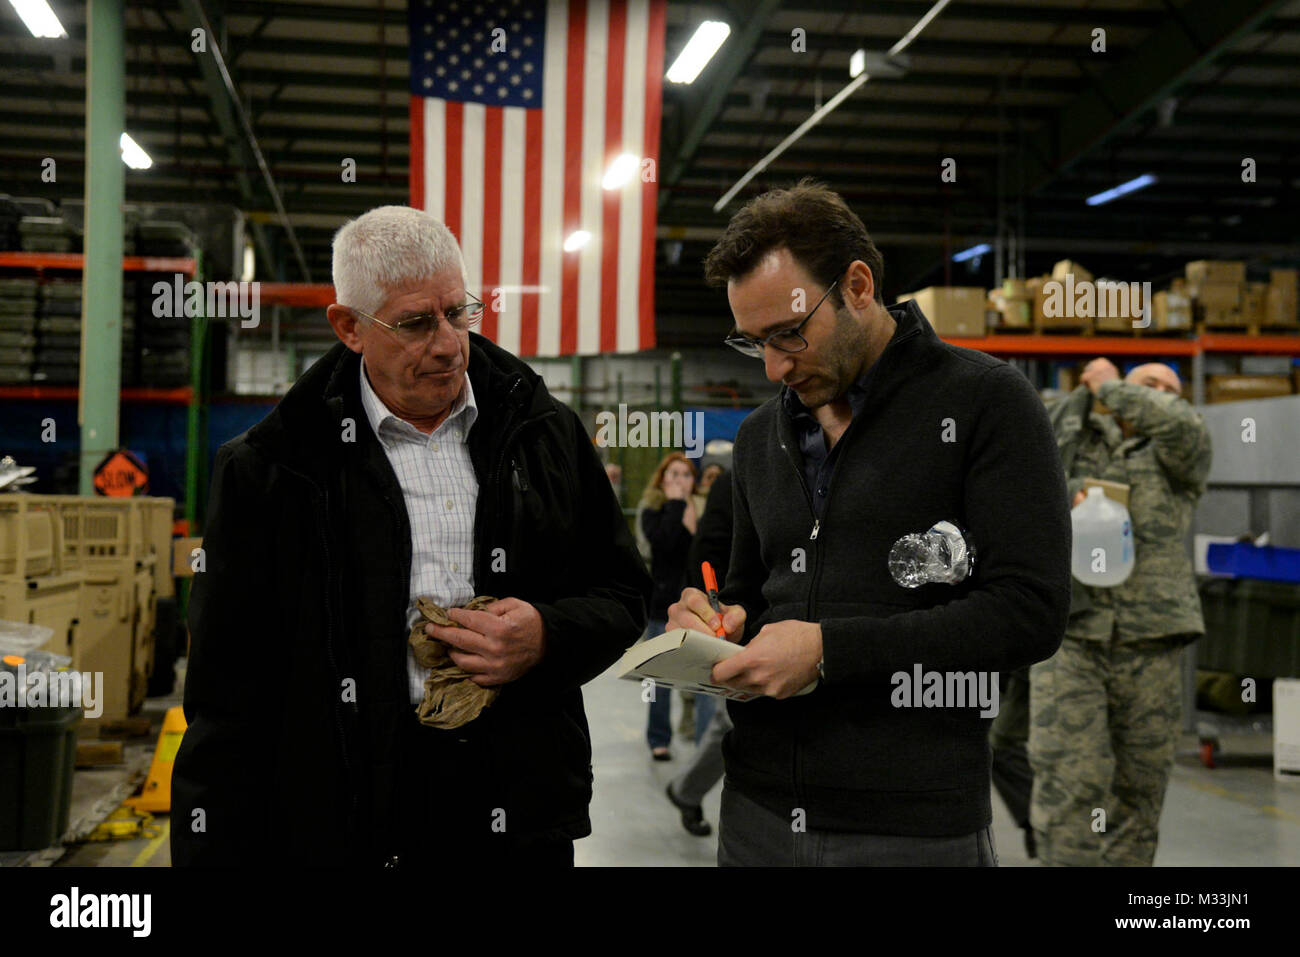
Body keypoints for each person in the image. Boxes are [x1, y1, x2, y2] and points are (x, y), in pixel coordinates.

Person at [171, 205, 650, 867]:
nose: (450, 343)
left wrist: (546, 634)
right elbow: (228, 698)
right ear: (350, 328)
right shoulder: (275, 468)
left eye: (459, 312)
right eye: (416, 322)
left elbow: (624, 592)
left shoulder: (542, 431)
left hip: (517, 816)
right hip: (347, 822)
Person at [666, 179, 1072, 866]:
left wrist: (829, 651)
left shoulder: (986, 404)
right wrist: (716, 619)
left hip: (912, 826)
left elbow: (1028, 610)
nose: (775, 365)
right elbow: (746, 588)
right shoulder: (764, 435)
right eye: (754, 342)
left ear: (857, 285)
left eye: (790, 333)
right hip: (757, 811)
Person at [1029, 358, 1211, 866]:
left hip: (1150, 641)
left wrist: (1111, 384)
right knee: (1069, 783)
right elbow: (1025, 481)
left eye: (1172, 389)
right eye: (1149, 384)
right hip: (1071, 639)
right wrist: (1069, 494)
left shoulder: (1179, 453)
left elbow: (1176, 422)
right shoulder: (1070, 434)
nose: (1162, 396)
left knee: (1139, 793)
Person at [665, 460, 735, 837]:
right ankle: (687, 789)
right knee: (729, 719)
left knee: (727, 720)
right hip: (733, 624)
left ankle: (686, 790)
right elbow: (704, 556)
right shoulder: (738, 480)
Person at [637, 451, 715, 760]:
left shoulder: (706, 509)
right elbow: (663, 544)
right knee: (659, 682)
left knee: (703, 681)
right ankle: (658, 738)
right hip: (663, 606)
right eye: (673, 474)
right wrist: (676, 505)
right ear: (662, 479)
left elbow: (708, 551)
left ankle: (703, 744)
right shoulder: (652, 510)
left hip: (700, 608)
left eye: (685, 474)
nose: (679, 480)